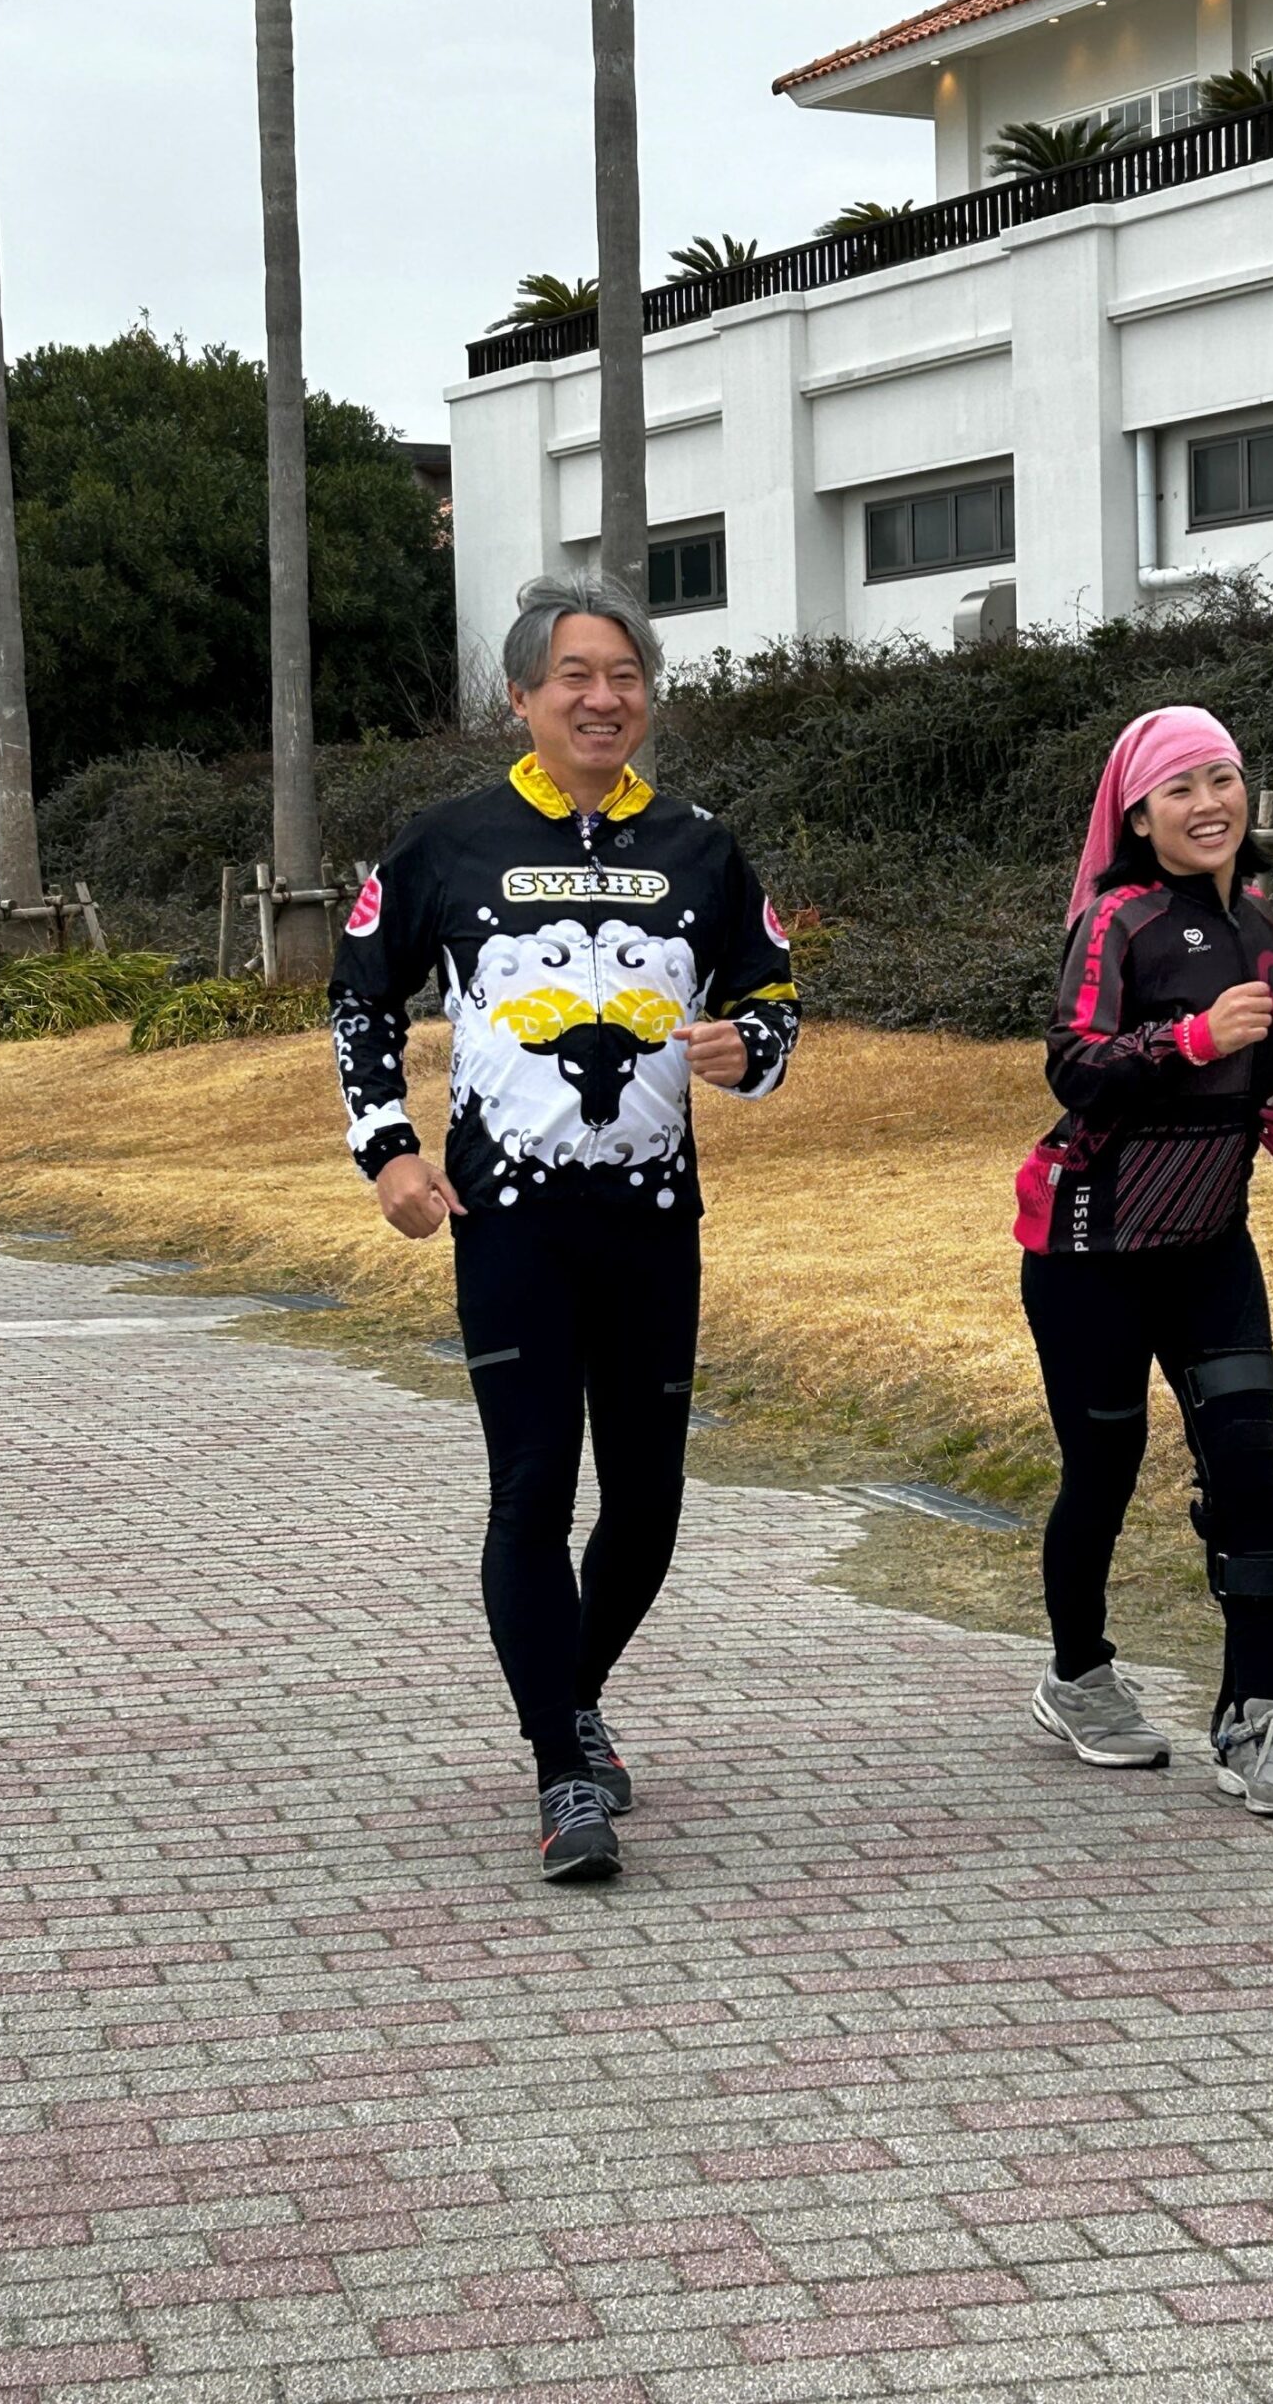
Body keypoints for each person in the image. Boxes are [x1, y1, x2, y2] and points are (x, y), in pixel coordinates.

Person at [329, 571, 798, 1881]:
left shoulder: (701, 847)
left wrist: (750, 1048)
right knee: (534, 1487)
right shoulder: (448, 843)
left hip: (652, 1224)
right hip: (512, 1228)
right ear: (522, 697)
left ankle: (572, 1693)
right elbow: (361, 998)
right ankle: (561, 1775)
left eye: (625, 677)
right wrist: (388, 1149)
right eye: (576, 677)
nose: (603, 699)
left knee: (647, 1500)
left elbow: (773, 993)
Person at [1014, 704, 1273, 1817]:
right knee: (1101, 1471)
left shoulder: (1264, 924)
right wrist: (1188, 1041)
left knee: (1253, 1463)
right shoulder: (1119, 920)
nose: (1207, 804)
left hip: (1209, 1246)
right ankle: (1078, 1675)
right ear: (1138, 816)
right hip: (1092, 1250)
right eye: (1179, 788)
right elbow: (1074, 1067)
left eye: (1222, 778)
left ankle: (1254, 1715)